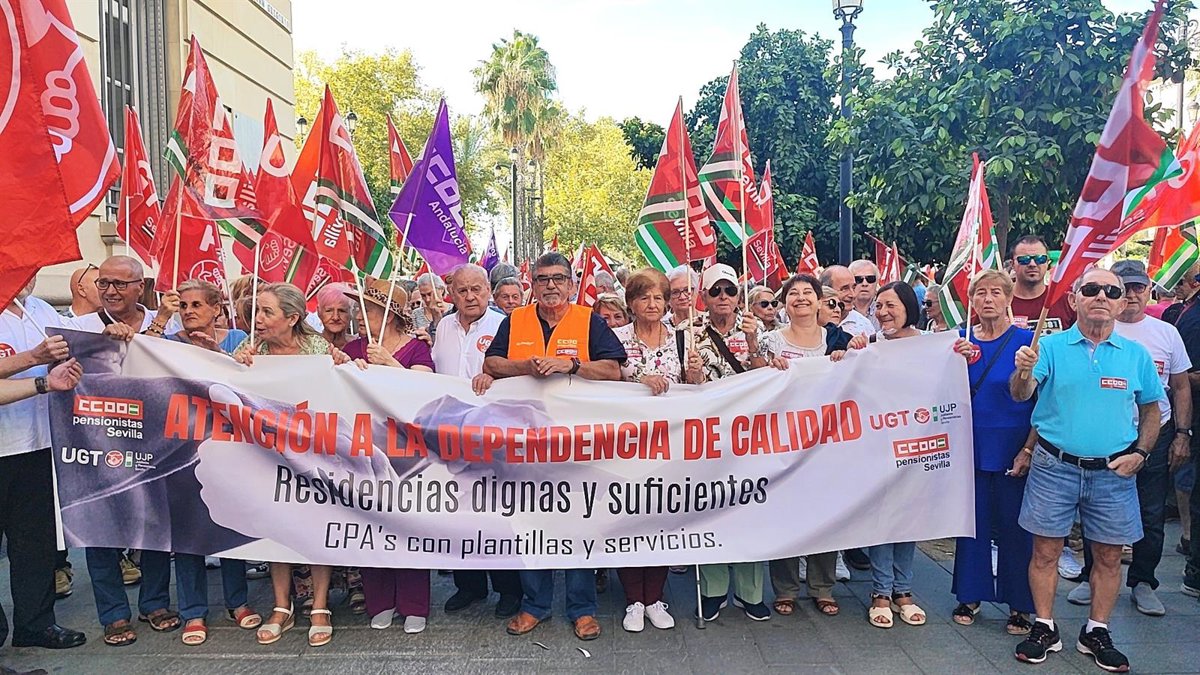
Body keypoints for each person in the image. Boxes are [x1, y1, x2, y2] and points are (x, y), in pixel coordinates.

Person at [1009, 267, 1162, 672]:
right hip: (1053, 467)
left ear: (1122, 302)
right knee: (1045, 552)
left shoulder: (1136, 355)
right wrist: (1023, 370)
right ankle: (1044, 626)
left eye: (1111, 291)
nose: (1101, 297)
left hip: (1113, 472)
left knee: (1109, 557)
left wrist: (1141, 454)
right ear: (1074, 298)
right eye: (1091, 289)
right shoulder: (1049, 346)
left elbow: (1152, 410)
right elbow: (1021, 394)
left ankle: (1096, 630)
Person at [484, 252, 626, 641]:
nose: (550, 285)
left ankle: (582, 608)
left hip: (576, 443)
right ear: (532, 284)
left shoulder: (589, 320)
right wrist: (525, 367)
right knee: (530, 524)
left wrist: (572, 365)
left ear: (571, 283)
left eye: (558, 278)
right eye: (543, 279)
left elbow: (614, 369)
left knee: (577, 522)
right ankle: (535, 605)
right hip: (525, 444)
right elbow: (492, 364)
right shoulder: (515, 320)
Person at [1063, 261, 1192, 619]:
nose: (1131, 295)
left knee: (1151, 513)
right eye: (1124, 288)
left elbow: (1180, 387)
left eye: (1138, 288)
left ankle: (1143, 581)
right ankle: (1092, 576)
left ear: (1149, 291)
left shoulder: (1167, 333)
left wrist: (1182, 433)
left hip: (1155, 434)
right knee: (1095, 511)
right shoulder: (1095, 327)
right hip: (1106, 436)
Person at [233, 283, 348, 648]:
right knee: (276, 526)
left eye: (267, 312)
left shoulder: (318, 348)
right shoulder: (252, 347)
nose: (258, 319)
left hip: (313, 453)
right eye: (257, 311)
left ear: (292, 318)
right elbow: (230, 387)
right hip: (267, 455)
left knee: (314, 525)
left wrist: (348, 365)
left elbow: (344, 386)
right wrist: (238, 363)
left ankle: (320, 605)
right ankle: (282, 606)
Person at [146, 280, 260, 644]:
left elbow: (252, 382)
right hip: (181, 448)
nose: (189, 311)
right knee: (188, 531)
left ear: (216, 308)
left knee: (230, 523)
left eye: (197, 304)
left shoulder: (238, 338)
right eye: (183, 305)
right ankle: (193, 611)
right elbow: (139, 362)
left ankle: (237, 602)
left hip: (229, 447)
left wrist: (219, 356)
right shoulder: (168, 343)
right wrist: (161, 318)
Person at [762, 274, 864, 620]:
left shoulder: (837, 339)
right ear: (785, 304)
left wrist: (855, 352)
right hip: (783, 442)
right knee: (784, 515)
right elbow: (755, 381)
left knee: (824, 514)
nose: (801, 298)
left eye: (808, 292)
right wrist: (767, 369)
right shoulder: (770, 342)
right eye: (794, 293)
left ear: (820, 301)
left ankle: (822, 587)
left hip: (827, 443)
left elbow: (863, 372)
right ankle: (786, 588)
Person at [342, 277, 435, 634]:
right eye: (358, 308)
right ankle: (380, 600)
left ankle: (414, 604)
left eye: (368, 309)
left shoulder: (417, 348)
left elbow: (425, 389)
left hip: (406, 451)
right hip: (365, 447)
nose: (358, 315)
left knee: (408, 523)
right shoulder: (353, 347)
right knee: (371, 522)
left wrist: (390, 365)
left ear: (390, 315)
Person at [0, 278, 88, 651]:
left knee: (34, 542)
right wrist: (34, 360)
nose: (28, 275)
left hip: (36, 442)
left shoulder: (40, 309)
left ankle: (35, 623)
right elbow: (35, 366)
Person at [431, 265, 522, 619]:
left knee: (497, 512)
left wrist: (494, 375)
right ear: (452, 293)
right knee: (458, 510)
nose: (470, 297)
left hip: (491, 432)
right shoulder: (443, 327)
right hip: (450, 433)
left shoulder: (505, 325)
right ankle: (468, 585)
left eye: (476, 289)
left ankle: (508, 589)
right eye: (462, 290)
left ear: (488, 290)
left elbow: (515, 372)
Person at [948, 270, 1035, 636]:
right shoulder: (959, 340)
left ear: (1009, 298)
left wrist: (1028, 449)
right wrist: (952, 360)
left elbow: (1040, 400)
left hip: (1013, 445)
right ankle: (970, 594)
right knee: (972, 523)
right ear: (971, 300)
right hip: (970, 445)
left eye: (996, 292)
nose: (988, 299)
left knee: (1017, 527)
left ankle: (1020, 603)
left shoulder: (1027, 342)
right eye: (980, 292)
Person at [611, 268, 699, 632]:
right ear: (631, 303)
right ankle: (634, 599)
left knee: (662, 517)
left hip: (668, 445)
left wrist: (695, 373)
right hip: (626, 444)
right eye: (644, 297)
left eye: (659, 298)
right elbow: (606, 375)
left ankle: (654, 597)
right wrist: (637, 378)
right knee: (629, 519)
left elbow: (694, 387)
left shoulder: (681, 337)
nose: (652, 304)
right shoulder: (616, 337)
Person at [690, 264, 770, 621]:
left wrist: (753, 343)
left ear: (739, 295)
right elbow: (683, 385)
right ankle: (713, 589)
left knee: (749, 508)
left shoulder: (758, 328)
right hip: (706, 434)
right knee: (710, 508)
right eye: (715, 291)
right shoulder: (687, 332)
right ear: (704, 297)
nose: (723, 297)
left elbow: (769, 377)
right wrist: (691, 375)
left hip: (748, 432)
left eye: (729, 290)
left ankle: (750, 592)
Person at [865, 281, 928, 629]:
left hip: (917, 444)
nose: (884, 312)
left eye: (892, 305)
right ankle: (880, 591)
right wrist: (847, 354)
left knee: (909, 517)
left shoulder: (931, 345)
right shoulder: (870, 345)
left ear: (908, 308)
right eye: (879, 306)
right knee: (882, 517)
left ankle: (903, 589)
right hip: (877, 446)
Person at [1009, 235, 1076, 332]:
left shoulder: (1065, 301)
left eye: (1040, 259)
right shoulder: (999, 301)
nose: (1032, 264)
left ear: (1047, 262)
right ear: (1012, 264)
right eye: (1024, 259)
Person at [314, 282, 355, 349]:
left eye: (342, 310)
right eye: (329, 310)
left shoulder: (362, 346)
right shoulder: (308, 346)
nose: (335, 317)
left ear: (351, 313)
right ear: (319, 312)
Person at [845, 259, 881, 333]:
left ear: (877, 282)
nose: (865, 284)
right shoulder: (842, 311)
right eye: (858, 279)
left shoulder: (885, 310)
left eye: (870, 279)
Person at [413, 272, 447, 340]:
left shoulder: (453, 310)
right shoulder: (416, 314)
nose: (427, 299)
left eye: (429, 294)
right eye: (423, 295)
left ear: (441, 290)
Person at [665, 264, 701, 329]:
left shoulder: (710, 322)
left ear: (696, 291)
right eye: (675, 292)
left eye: (687, 290)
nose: (682, 297)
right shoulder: (663, 329)